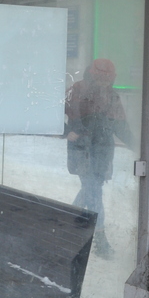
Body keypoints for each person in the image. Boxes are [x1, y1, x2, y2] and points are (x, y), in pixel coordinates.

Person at [64, 58, 132, 258]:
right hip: (82, 149)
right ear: (93, 75)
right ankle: (100, 240)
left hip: (102, 151)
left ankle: (71, 220)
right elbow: (57, 111)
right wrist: (68, 130)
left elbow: (120, 125)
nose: (105, 82)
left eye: (108, 79)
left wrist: (138, 145)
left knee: (91, 188)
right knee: (94, 191)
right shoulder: (77, 90)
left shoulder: (111, 95)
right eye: (101, 78)